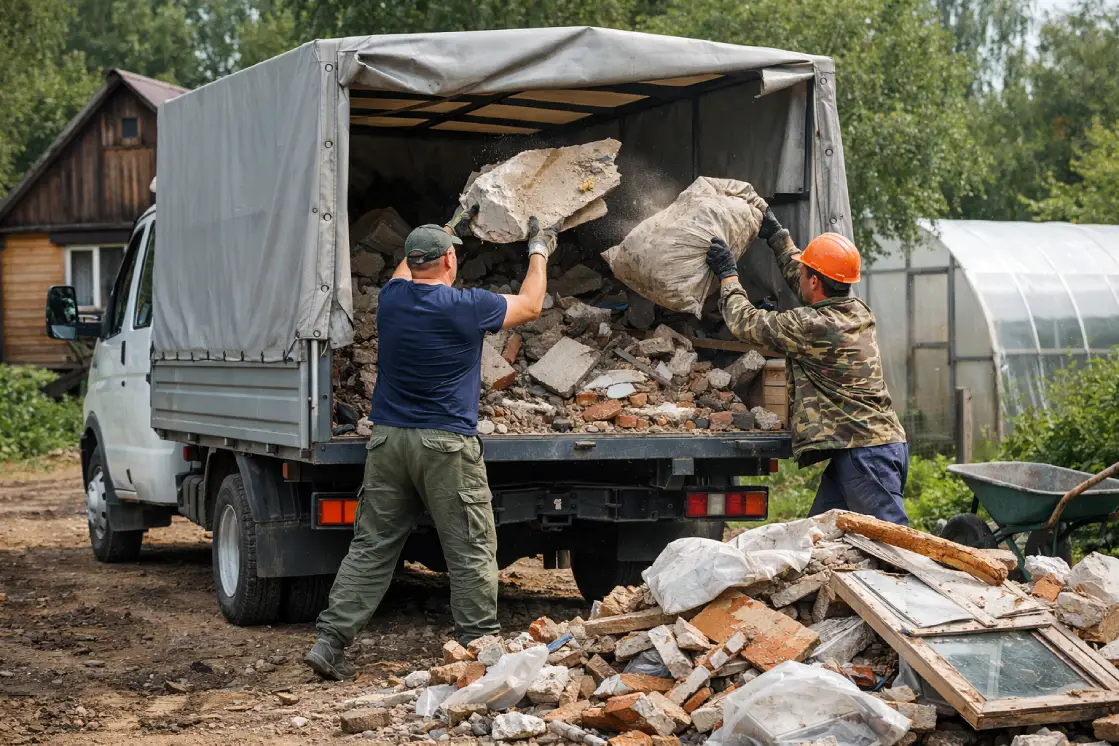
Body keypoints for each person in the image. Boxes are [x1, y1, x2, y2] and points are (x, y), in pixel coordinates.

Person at [304, 207, 558, 681]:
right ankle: (480, 649)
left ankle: (329, 642)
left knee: (372, 546)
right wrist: (539, 250)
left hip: (389, 443)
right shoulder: (468, 307)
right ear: (448, 261)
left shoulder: (392, 299)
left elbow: (407, 266)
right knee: (470, 548)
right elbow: (530, 305)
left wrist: (443, 230)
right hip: (445, 446)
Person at [705, 209, 909, 526]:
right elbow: (806, 284)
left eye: (805, 272)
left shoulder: (811, 326)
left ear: (815, 281)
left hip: (866, 455)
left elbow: (745, 322)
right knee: (819, 535)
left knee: (892, 541)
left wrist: (728, 275)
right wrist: (778, 238)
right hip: (864, 449)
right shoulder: (856, 311)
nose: (799, 275)